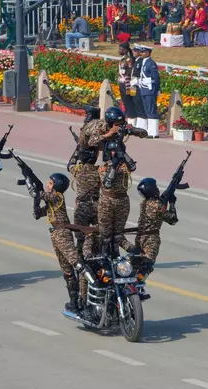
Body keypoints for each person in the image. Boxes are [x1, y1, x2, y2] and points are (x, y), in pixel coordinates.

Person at [86, 107, 147, 253]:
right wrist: (108, 134)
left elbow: (144, 134)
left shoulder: (122, 128)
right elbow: (92, 142)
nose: (118, 126)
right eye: (116, 124)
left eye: (120, 124)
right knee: (105, 232)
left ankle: (115, 252)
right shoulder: (102, 127)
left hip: (121, 154)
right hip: (108, 156)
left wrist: (133, 130)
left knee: (117, 232)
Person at [35, 173, 88, 315]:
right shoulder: (52, 203)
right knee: (67, 271)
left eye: (50, 183)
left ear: (57, 186)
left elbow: (44, 195)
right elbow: (37, 214)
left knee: (76, 263)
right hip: (55, 235)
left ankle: (85, 297)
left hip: (62, 233)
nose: (48, 185)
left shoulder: (58, 196)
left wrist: (34, 188)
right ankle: (74, 301)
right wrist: (35, 201)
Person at [132, 178, 179, 299]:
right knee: (148, 265)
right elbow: (172, 220)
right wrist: (172, 203)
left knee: (138, 265)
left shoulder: (144, 203)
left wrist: (165, 197)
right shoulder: (157, 205)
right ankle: (136, 287)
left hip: (140, 237)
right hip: (151, 238)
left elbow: (158, 203)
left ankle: (135, 286)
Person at [68, 119, 101, 255]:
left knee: (81, 239)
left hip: (82, 206)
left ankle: (82, 260)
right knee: (98, 237)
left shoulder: (78, 170)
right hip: (97, 206)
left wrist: (79, 147)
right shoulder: (100, 171)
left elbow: (69, 164)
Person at [137, 46, 161, 138]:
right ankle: (149, 131)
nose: (142, 53)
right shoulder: (144, 62)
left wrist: (157, 89)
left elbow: (156, 77)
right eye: (141, 52)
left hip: (150, 90)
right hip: (144, 89)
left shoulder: (151, 63)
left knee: (151, 111)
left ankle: (154, 132)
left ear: (148, 53)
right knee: (147, 111)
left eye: (143, 52)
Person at [117, 42, 137, 126]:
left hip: (128, 84)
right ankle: (129, 118)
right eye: (119, 49)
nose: (119, 50)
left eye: (121, 49)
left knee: (130, 101)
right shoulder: (122, 58)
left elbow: (131, 71)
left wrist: (124, 72)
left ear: (125, 50)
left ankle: (133, 119)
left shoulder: (129, 59)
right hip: (122, 83)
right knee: (125, 101)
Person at [130, 45, 149, 130]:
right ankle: (137, 123)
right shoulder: (136, 60)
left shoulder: (141, 61)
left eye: (135, 50)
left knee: (139, 104)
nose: (133, 52)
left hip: (137, 86)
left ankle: (142, 125)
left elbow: (139, 75)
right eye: (133, 50)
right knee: (134, 103)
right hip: (132, 86)